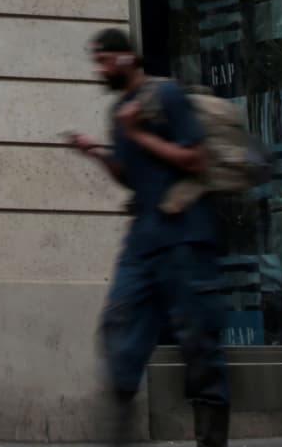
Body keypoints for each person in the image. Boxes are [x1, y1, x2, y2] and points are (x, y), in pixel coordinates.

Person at [68, 28, 229, 447]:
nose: (99, 70)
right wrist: (96, 152)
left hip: (185, 238)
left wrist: (139, 133)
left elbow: (196, 159)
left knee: (199, 344)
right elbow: (128, 176)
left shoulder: (166, 96)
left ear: (126, 58)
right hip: (142, 242)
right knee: (119, 329)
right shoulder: (119, 111)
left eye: (104, 60)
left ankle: (211, 440)